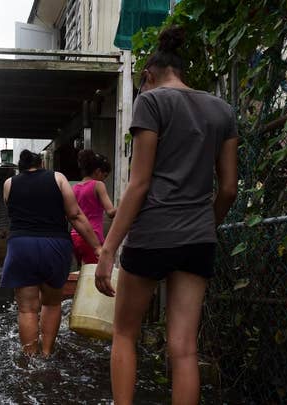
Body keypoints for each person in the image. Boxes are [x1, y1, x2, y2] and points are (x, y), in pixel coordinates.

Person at [95, 26, 238, 405]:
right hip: (198, 240)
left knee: (125, 334)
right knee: (184, 349)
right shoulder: (222, 111)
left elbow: (139, 184)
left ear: (148, 75)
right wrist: (206, 224)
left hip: (152, 234)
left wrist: (108, 250)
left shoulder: (152, 101)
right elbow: (228, 189)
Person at [1, 150, 102, 357]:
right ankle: (46, 353)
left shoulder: (9, 183)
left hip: (21, 246)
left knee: (27, 309)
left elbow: (13, 211)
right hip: (54, 246)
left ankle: (30, 360)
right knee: (52, 303)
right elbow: (74, 215)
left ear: (20, 168)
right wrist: (97, 247)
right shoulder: (58, 178)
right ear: (42, 165)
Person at [71, 150, 116, 265]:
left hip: (75, 236)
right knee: (95, 275)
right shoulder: (98, 185)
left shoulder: (74, 188)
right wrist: (127, 206)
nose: (104, 179)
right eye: (104, 175)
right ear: (98, 171)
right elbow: (110, 212)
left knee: (81, 274)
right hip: (92, 237)